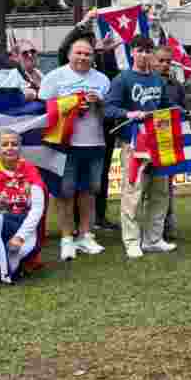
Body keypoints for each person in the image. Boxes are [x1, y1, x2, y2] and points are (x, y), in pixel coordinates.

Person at [39, 37, 111, 261]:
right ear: (69, 54)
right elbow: (42, 109)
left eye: (88, 54)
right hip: (64, 144)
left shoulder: (102, 79)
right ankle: (67, 238)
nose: (83, 57)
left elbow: (110, 112)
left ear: (93, 56)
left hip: (95, 142)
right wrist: (70, 104)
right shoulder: (54, 77)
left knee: (89, 191)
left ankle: (86, 235)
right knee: (65, 193)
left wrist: (99, 102)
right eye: (78, 53)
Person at [104, 35, 174, 258]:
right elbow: (108, 108)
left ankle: (153, 238)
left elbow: (164, 105)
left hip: (158, 142)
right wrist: (128, 113)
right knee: (133, 192)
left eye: (148, 51)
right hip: (133, 144)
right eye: (140, 50)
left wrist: (178, 111)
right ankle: (132, 241)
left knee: (160, 192)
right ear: (132, 52)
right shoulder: (122, 79)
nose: (144, 55)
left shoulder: (158, 80)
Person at [0, 128, 47, 292]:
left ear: (20, 148)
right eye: (4, 144)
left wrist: (20, 237)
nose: (10, 148)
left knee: (18, 254)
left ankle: (9, 266)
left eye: (14, 144)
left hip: (23, 225)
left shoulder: (30, 170)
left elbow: (37, 208)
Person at [154, 44, 187, 242]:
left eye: (168, 61)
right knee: (148, 188)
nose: (165, 65)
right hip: (149, 141)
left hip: (169, 142)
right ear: (153, 61)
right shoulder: (148, 82)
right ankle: (150, 227)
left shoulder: (177, 86)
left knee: (167, 186)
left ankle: (167, 224)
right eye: (161, 61)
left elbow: (183, 111)